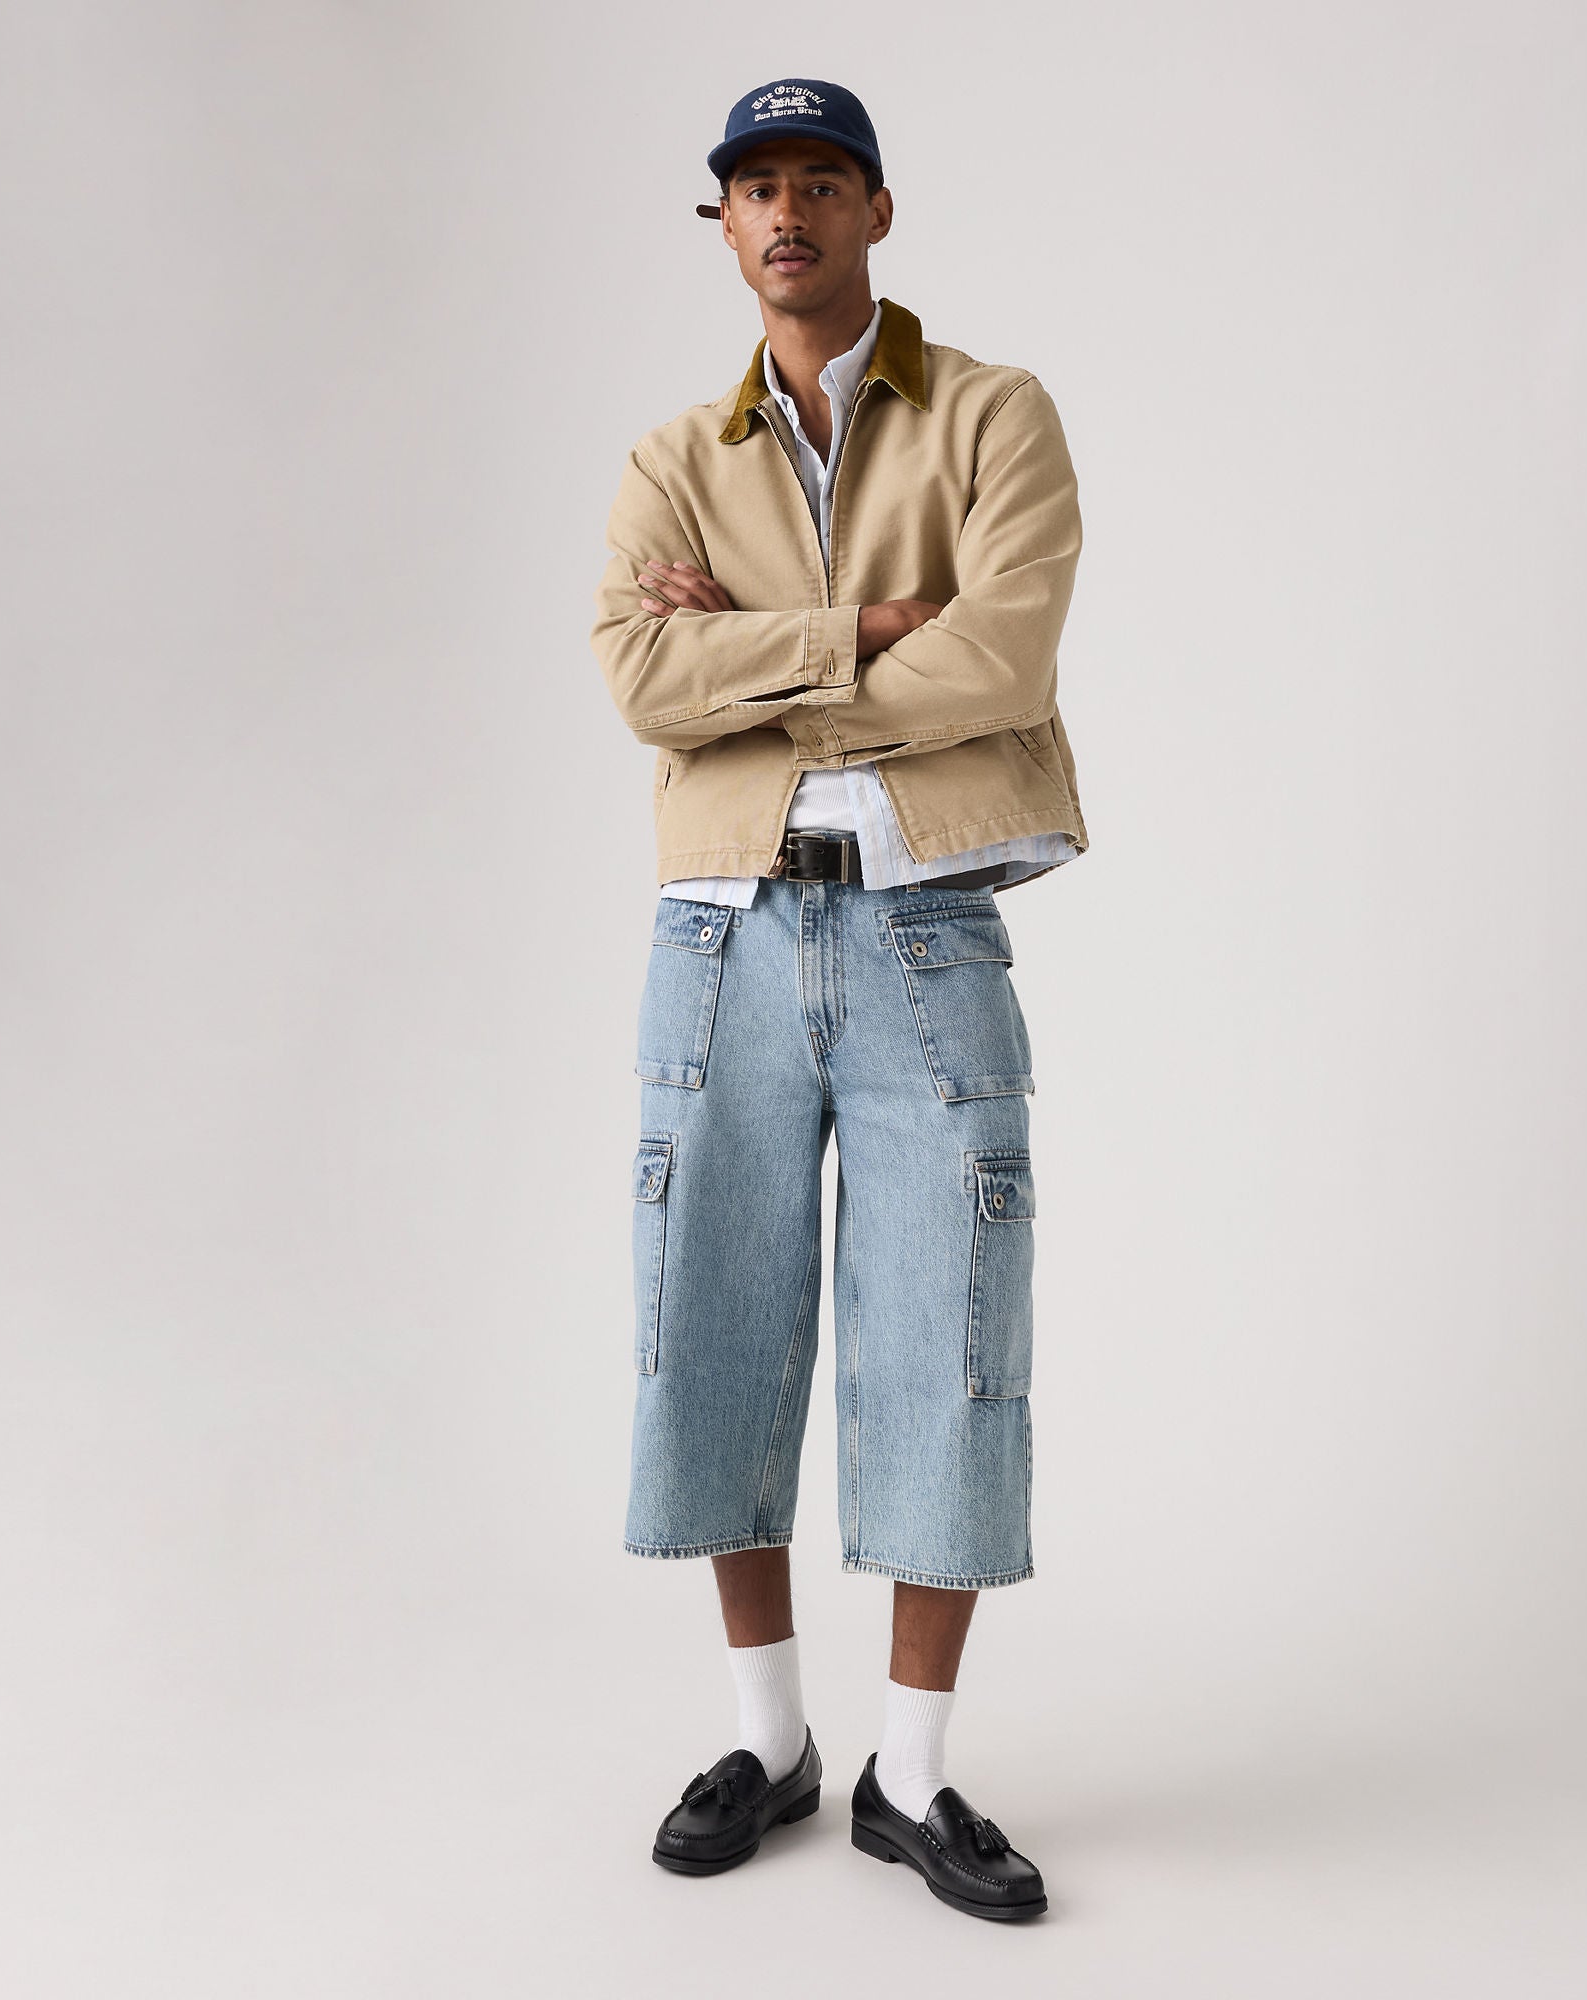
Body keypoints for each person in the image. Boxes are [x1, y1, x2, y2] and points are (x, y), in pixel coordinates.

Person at [587, 76, 1087, 1922]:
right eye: (753, 188)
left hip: (923, 926)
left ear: (878, 210)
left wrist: (754, 655)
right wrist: (868, 629)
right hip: (718, 932)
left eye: (819, 181)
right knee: (713, 1321)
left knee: (950, 1331)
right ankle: (771, 1740)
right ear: (721, 224)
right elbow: (640, 679)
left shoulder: (993, 415)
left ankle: (914, 1775)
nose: (784, 212)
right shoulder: (671, 458)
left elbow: (1004, 653)